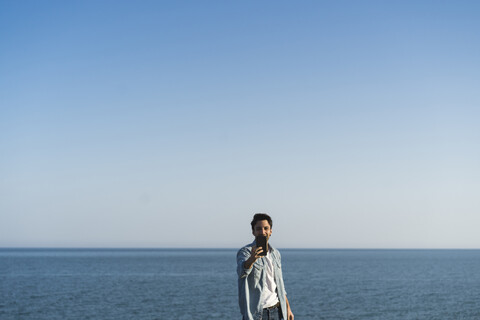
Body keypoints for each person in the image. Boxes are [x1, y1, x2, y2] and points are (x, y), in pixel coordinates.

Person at [237, 213, 294, 320]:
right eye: (258, 229)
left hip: (277, 311)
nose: (262, 232)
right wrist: (252, 259)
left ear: (271, 231)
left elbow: (280, 285)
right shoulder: (245, 252)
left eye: (266, 228)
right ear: (253, 232)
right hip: (256, 314)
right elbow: (241, 272)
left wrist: (288, 308)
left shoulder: (275, 254)